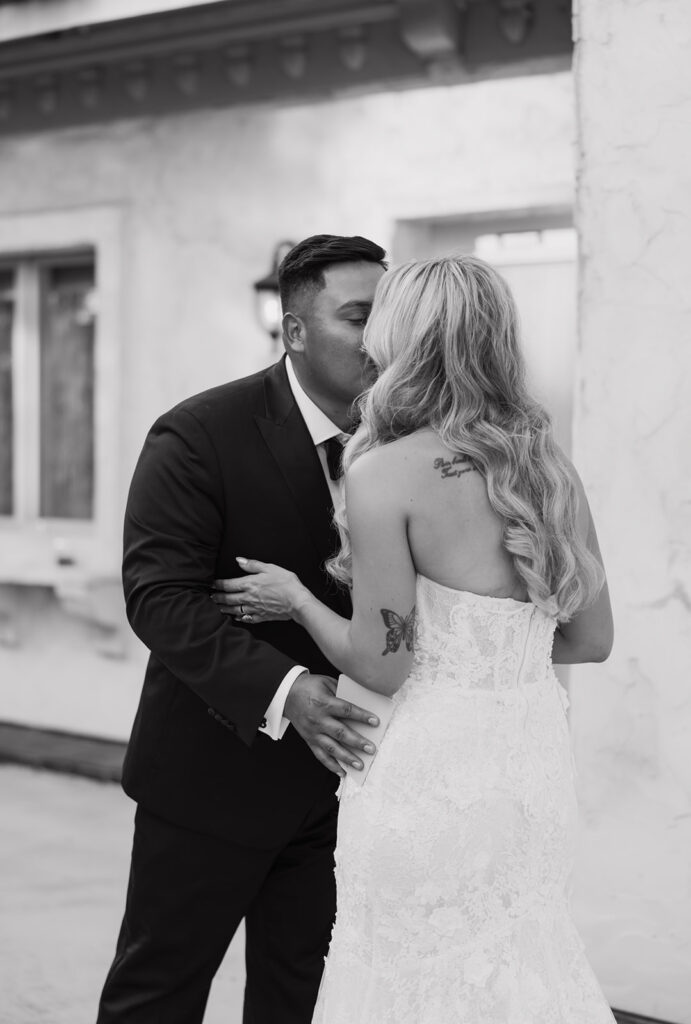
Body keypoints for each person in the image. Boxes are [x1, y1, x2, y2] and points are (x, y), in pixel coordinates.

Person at [211, 255, 616, 1022]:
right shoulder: (548, 469)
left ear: (404, 337)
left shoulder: (385, 474)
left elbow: (382, 664)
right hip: (526, 775)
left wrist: (297, 600)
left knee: (403, 980)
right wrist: (486, 654)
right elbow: (590, 638)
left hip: (426, 779)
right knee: (518, 965)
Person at [96, 234, 390, 1024]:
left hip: (351, 788)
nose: (382, 337)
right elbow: (160, 597)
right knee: (157, 994)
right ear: (294, 331)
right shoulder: (198, 433)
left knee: (304, 1001)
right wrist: (288, 692)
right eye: (359, 316)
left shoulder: (407, 443)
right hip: (210, 777)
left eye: (391, 315)